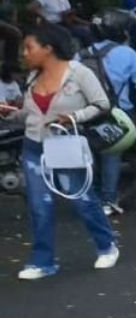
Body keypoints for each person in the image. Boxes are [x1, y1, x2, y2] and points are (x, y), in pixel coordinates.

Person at [2, 25, 121, 279]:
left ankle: (106, 245)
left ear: (48, 48)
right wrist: (9, 113)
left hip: (64, 146)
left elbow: (102, 104)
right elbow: (29, 115)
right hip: (34, 147)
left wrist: (74, 116)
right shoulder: (32, 77)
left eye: (29, 47)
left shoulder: (79, 73)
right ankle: (42, 261)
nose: (24, 53)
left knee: (82, 199)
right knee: (39, 205)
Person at [83, 9, 136, 216]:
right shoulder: (127, 54)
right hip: (115, 113)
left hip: (86, 113)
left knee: (90, 154)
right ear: (121, 32)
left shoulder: (82, 54)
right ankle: (108, 200)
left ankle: (90, 198)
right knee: (111, 153)